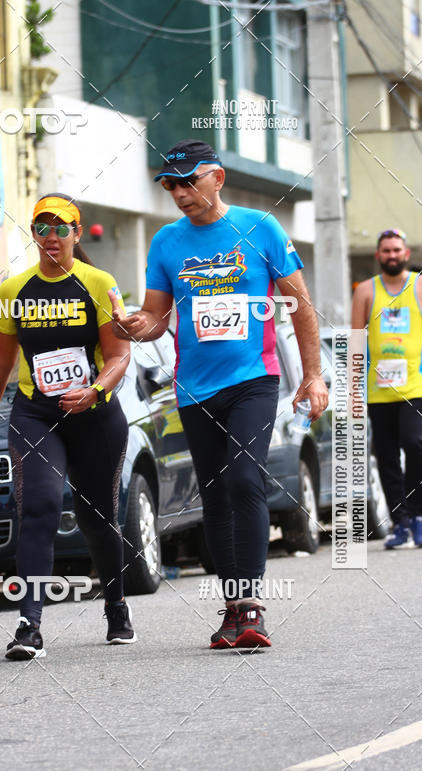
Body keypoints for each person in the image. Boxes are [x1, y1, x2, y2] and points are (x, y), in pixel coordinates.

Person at [111, 139, 328, 650]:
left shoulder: (261, 228)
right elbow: (157, 321)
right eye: (171, 186)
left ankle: (252, 602)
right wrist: (131, 326)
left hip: (254, 378)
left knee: (245, 478)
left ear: (218, 178)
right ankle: (233, 609)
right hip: (194, 387)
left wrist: (313, 376)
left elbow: (300, 306)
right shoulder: (166, 242)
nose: (180, 194)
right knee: (214, 494)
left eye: (189, 182)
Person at [0, 193, 135, 659]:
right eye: (42, 228)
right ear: (34, 234)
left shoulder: (99, 283)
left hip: (95, 414)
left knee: (98, 517)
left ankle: (116, 608)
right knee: (38, 507)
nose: (51, 237)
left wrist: (96, 391)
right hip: (36, 414)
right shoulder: (13, 291)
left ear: (76, 234)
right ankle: (30, 625)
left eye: (62, 229)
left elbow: (120, 355)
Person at [352, 228, 422, 549]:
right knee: (387, 456)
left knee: (414, 443)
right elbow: (356, 343)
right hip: (378, 390)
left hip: (415, 386)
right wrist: (354, 390)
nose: (391, 255)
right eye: (386, 251)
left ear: (406, 253)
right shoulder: (365, 291)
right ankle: (399, 522)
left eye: (396, 250)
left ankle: (417, 517)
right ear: (378, 256)